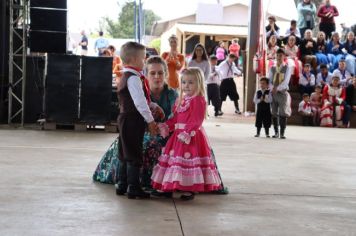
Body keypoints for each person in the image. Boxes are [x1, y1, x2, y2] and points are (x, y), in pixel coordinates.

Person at [93, 56, 177, 188]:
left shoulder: (172, 94)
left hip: (165, 133)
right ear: (145, 75)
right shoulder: (138, 90)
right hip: (140, 130)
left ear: (165, 74)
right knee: (123, 144)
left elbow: (176, 116)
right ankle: (127, 182)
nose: (157, 77)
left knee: (156, 146)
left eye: (160, 73)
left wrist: (162, 126)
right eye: (152, 73)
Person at [151, 68, 222, 200]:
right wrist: (167, 125)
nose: (186, 85)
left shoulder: (198, 100)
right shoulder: (181, 100)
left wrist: (187, 132)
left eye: (190, 82)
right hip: (177, 136)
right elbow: (176, 118)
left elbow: (197, 119)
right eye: (183, 82)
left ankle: (189, 189)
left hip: (191, 136)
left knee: (187, 162)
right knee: (174, 162)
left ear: (199, 83)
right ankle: (169, 187)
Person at [115, 42, 159, 199]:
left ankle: (122, 184)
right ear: (133, 59)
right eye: (143, 57)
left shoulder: (127, 76)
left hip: (125, 118)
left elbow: (140, 99)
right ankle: (133, 187)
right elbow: (140, 102)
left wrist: (153, 105)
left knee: (124, 151)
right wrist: (150, 121)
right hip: (133, 119)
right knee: (134, 153)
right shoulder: (133, 78)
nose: (145, 60)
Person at [268, 48, 292, 139]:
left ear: (284, 57)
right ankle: (276, 132)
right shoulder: (272, 68)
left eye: (281, 55)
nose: (278, 57)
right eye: (277, 55)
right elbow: (269, 80)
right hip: (273, 92)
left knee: (283, 112)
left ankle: (282, 132)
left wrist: (277, 88)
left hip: (282, 92)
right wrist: (271, 88)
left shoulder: (287, 68)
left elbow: (286, 81)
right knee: (274, 112)